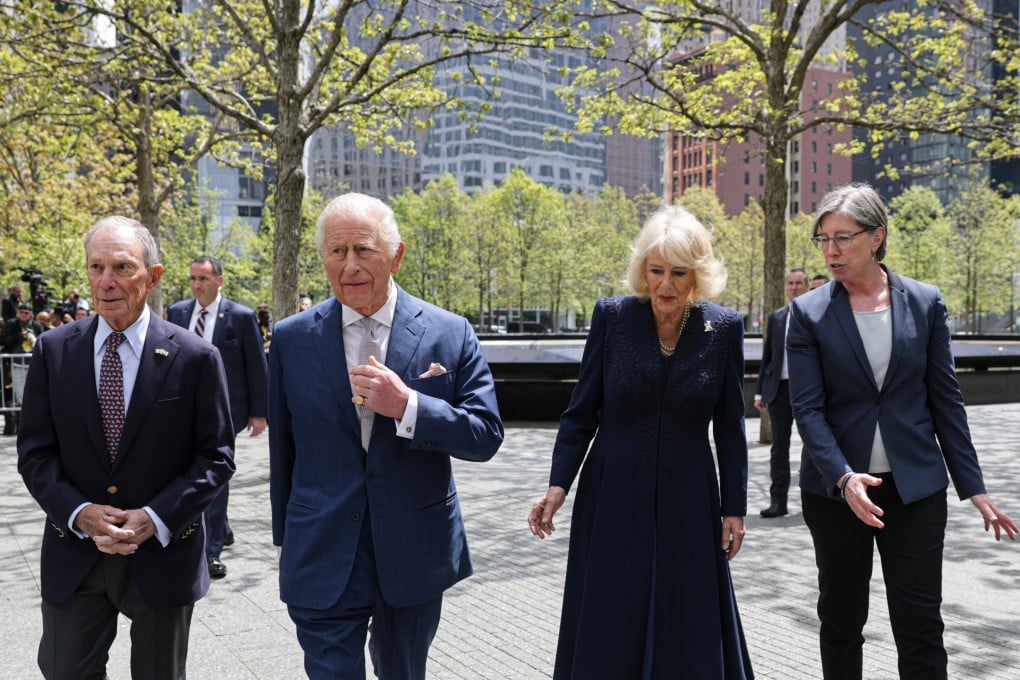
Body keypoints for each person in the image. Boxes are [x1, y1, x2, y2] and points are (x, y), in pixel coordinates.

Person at [787, 183, 1018, 680]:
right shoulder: (807, 314)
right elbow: (808, 411)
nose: (831, 251)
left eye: (843, 238)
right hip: (836, 494)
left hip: (915, 490)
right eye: (823, 239)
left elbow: (946, 401)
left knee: (920, 626)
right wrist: (844, 478)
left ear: (877, 237)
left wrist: (973, 487)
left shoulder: (925, 302)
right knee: (842, 622)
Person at [269, 192, 504, 679]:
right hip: (323, 547)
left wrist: (409, 407)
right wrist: (287, 540)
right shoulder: (291, 339)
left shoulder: (449, 332)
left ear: (396, 255)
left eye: (364, 249)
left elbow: (484, 434)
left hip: (414, 548)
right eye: (337, 251)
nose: (349, 265)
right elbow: (283, 449)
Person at [528, 205, 754, 679]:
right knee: (612, 606)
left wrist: (734, 507)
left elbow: (731, 427)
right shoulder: (612, 317)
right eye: (656, 271)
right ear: (642, 270)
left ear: (698, 275)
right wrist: (557, 486)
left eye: (679, 273)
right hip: (612, 490)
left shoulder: (724, 327)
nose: (666, 285)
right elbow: (580, 412)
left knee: (686, 606)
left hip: (691, 495)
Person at [16, 216, 236, 680]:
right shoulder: (54, 352)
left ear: (153, 276)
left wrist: (154, 518)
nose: (106, 281)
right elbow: (35, 454)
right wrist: (79, 513)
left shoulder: (196, 358)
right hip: (75, 554)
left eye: (121, 267)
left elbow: (215, 458)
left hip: (162, 554)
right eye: (96, 267)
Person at [167, 255, 268, 580]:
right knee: (189, 472)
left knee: (214, 475)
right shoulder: (178, 312)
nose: (197, 285)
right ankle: (220, 528)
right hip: (183, 411)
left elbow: (256, 365)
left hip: (227, 411)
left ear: (219, 280)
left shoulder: (240, 316)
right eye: (193, 278)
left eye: (204, 279)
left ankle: (210, 552)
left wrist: (259, 412)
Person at [754, 267, 808, 518]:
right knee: (779, 449)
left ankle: (817, 500)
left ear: (806, 286)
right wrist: (759, 393)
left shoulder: (815, 315)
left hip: (807, 391)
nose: (794, 287)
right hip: (778, 391)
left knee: (814, 447)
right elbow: (768, 357)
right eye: (791, 284)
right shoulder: (777, 317)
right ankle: (778, 501)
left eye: (799, 283)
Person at [2, 303, 44, 435]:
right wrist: (20, 337)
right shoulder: (11, 324)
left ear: (31, 313)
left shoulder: (36, 325)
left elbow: (44, 341)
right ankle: (23, 424)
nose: (24, 314)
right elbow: (2, 339)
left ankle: (34, 423)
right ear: (18, 313)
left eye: (27, 312)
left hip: (34, 364)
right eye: (22, 312)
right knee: (20, 396)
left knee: (35, 392)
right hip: (16, 364)